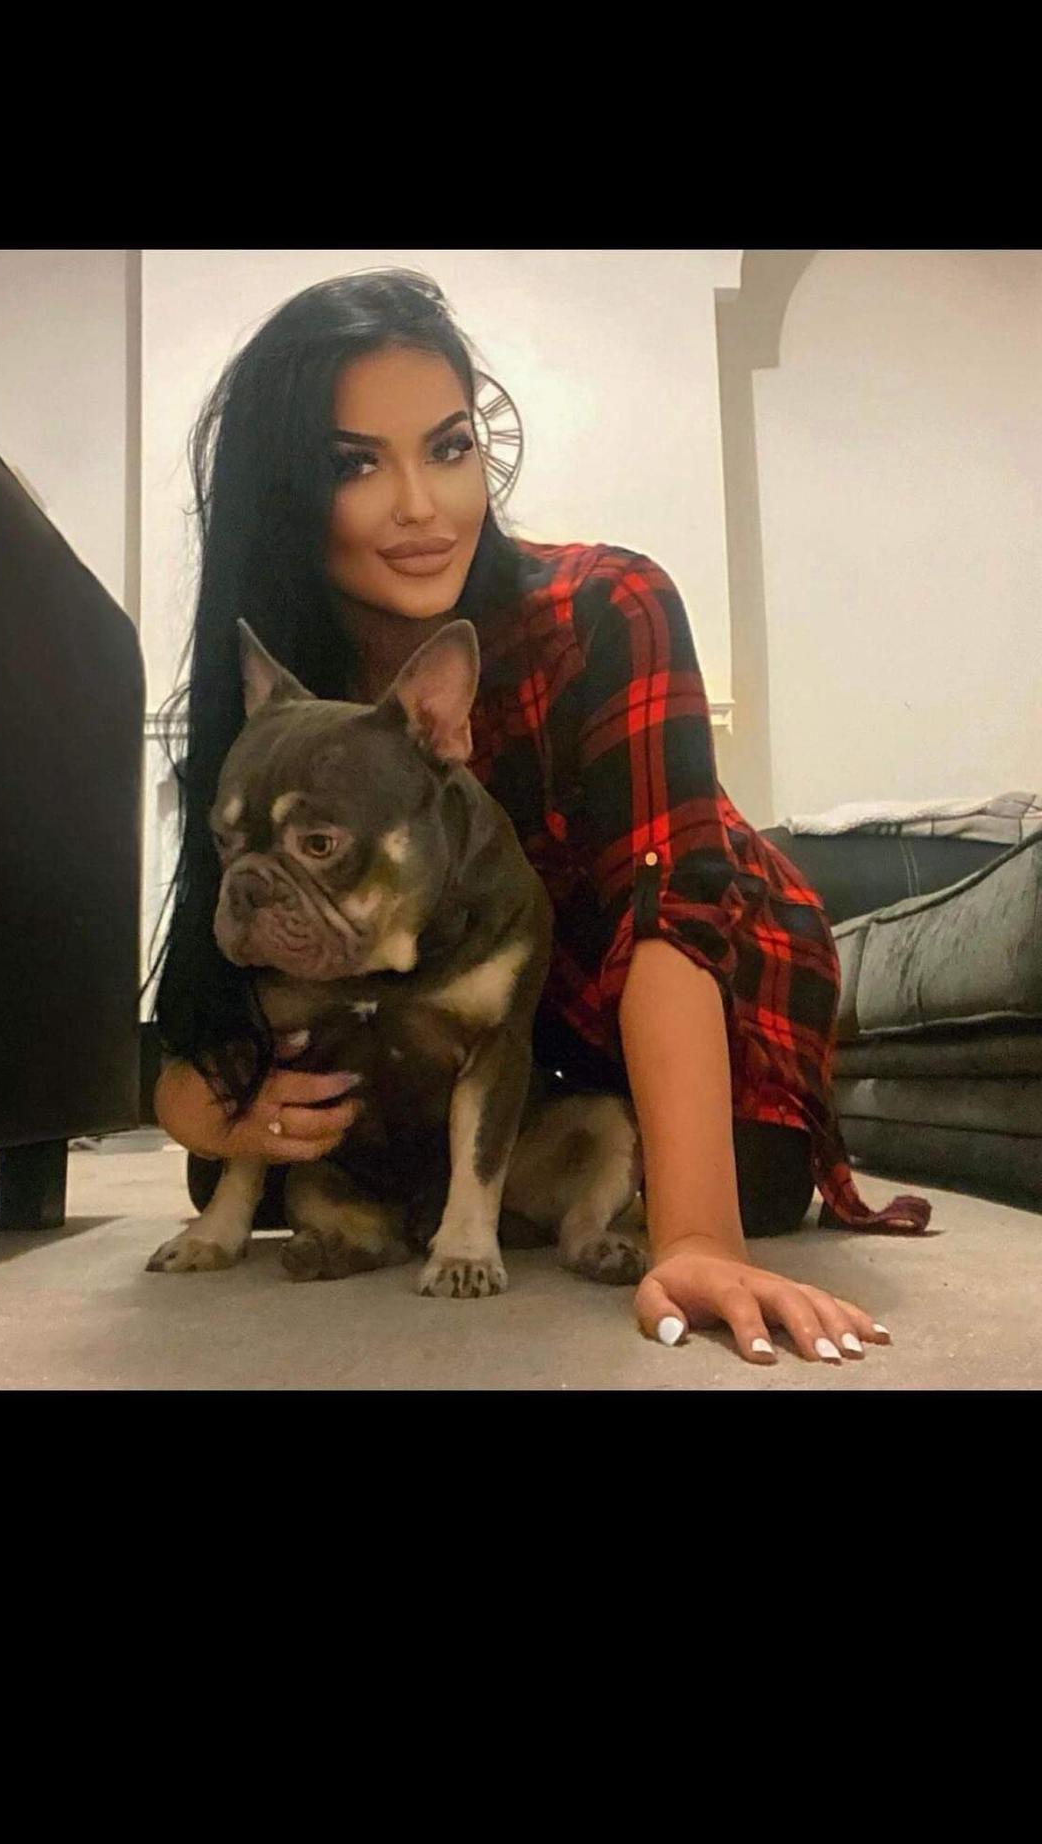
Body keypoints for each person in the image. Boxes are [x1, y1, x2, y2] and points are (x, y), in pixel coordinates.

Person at [148, 267, 931, 1368]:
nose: (422, 504)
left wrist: (698, 1237)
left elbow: (666, 913)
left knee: (742, 1175)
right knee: (264, 1156)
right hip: (478, 1047)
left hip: (683, 994)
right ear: (279, 495)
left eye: (450, 446)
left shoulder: (604, 607)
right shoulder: (279, 700)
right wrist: (209, 1112)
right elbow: (207, 1013)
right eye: (353, 464)